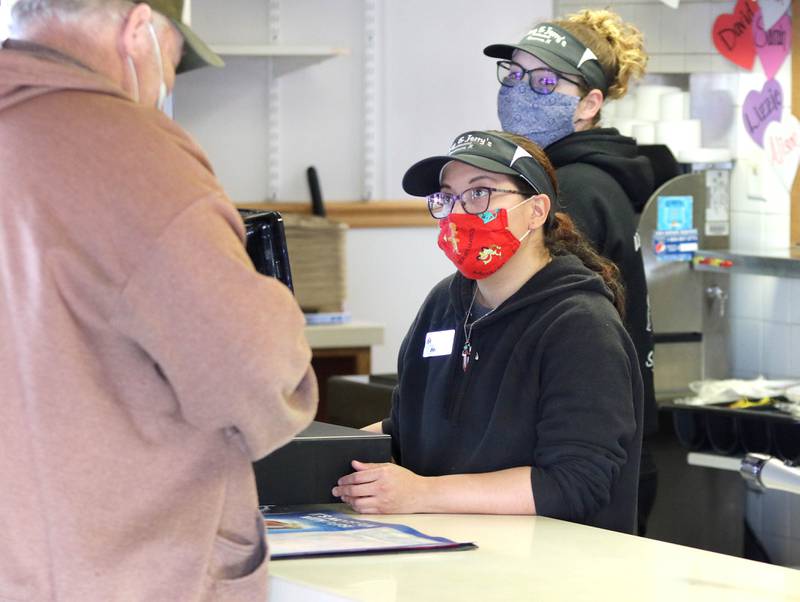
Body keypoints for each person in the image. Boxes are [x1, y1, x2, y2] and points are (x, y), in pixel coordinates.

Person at [0, 1, 317, 600]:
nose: (166, 85)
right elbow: (252, 369)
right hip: (115, 565)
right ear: (138, 30)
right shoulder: (127, 149)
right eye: (172, 62)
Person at [333, 129, 643, 534]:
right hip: (448, 553)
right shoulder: (445, 303)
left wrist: (422, 494)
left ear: (536, 211)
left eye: (480, 193)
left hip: (552, 571)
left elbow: (575, 483)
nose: (460, 212)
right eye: (447, 197)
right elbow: (409, 428)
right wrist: (320, 451)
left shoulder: (581, 325)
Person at [483, 9, 660, 535]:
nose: (519, 92)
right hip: (609, 448)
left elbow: (541, 321)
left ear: (589, 103)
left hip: (579, 463)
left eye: (543, 81)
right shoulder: (581, 177)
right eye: (512, 75)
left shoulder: (574, 189)